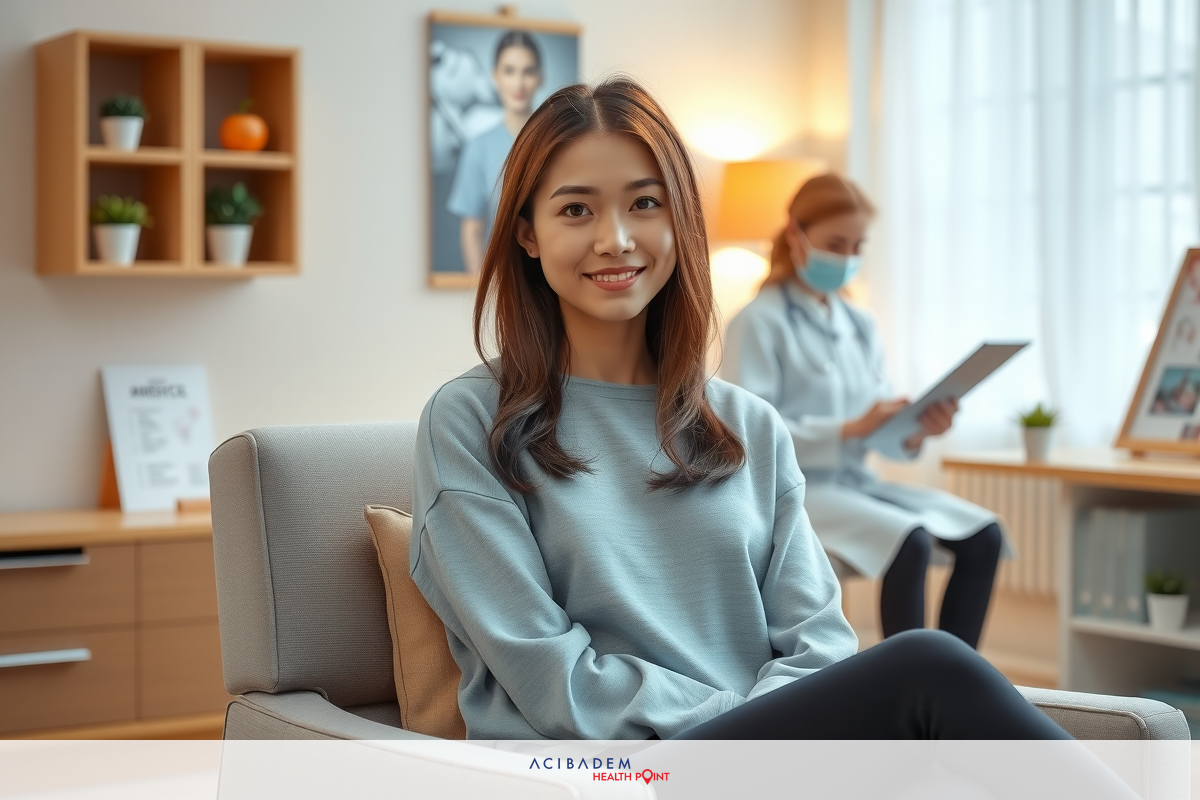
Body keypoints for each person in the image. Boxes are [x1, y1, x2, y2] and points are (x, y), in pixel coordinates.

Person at [411, 78, 1068, 741]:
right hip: (614, 772)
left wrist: (778, 741)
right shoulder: (468, 423)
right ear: (527, 233)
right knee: (930, 665)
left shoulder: (748, 426)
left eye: (644, 203)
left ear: (679, 221)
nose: (614, 239)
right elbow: (549, 675)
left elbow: (820, 643)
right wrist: (754, 728)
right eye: (576, 210)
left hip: (768, 759)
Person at [723, 174, 1006, 650]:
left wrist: (916, 431)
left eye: (858, 245)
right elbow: (748, 434)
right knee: (909, 542)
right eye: (836, 243)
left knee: (984, 536)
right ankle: (908, 700)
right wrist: (852, 428)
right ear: (795, 234)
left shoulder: (860, 323)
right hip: (794, 490)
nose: (848, 257)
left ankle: (957, 686)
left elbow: (879, 434)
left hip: (856, 484)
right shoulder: (757, 321)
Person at [446, 30, 543, 274]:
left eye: (528, 71)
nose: (519, 83)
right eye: (509, 71)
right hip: (505, 280)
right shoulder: (479, 147)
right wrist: (484, 291)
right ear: (495, 77)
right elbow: (473, 230)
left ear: (540, 77)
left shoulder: (560, 143)